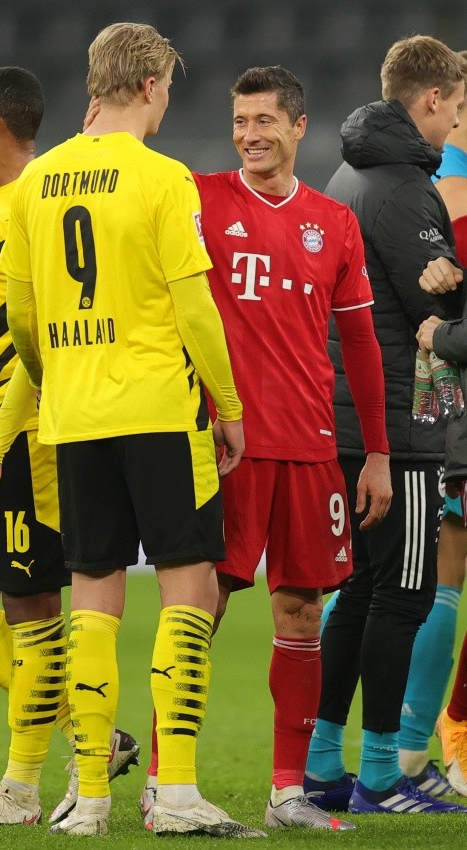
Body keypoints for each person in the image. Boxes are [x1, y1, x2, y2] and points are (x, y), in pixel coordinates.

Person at [0, 22, 265, 839]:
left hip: (75, 417)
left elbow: (22, 318)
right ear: (151, 86)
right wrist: (228, 406)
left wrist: (63, 380)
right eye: (169, 92)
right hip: (155, 409)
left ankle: (88, 798)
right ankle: (177, 793)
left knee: (92, 598)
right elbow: (195, 308)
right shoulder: (164, 179)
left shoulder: (36, 182)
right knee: (189, 584)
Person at [133, 64, 392, 832]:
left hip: (312, 447)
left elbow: (360, 342)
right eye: (240, 122)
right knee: (197, 610)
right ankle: (161, 779)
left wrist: (374, 452)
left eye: (265, 122)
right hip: (225, 445)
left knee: (303, 611)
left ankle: (288, 793)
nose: (250, 136)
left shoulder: (332, 222)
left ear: (299, 127)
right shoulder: (200, 199)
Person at [0, 66, 138, 827]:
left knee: (30, 603)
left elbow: (36, 337)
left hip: (20, 436)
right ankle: (90, 734)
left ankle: (20, 789)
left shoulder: (33, 201)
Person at [304, 35, 467, 815]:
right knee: (402, 595)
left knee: (365, 592)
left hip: (350, 411)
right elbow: (433, 311)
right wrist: (458, 291)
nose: (457, 125)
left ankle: (321, 760)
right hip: (397, 422)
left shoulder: (349, 170)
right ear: (431, 100)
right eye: (459, 108)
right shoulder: (405, 185)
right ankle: (376, 777)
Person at [399, 50, 467, 792]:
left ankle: (421, 743)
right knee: (438, 569)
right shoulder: (449, 178)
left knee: (442, 571)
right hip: (447, 400)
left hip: (441, 394)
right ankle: (425, 740)